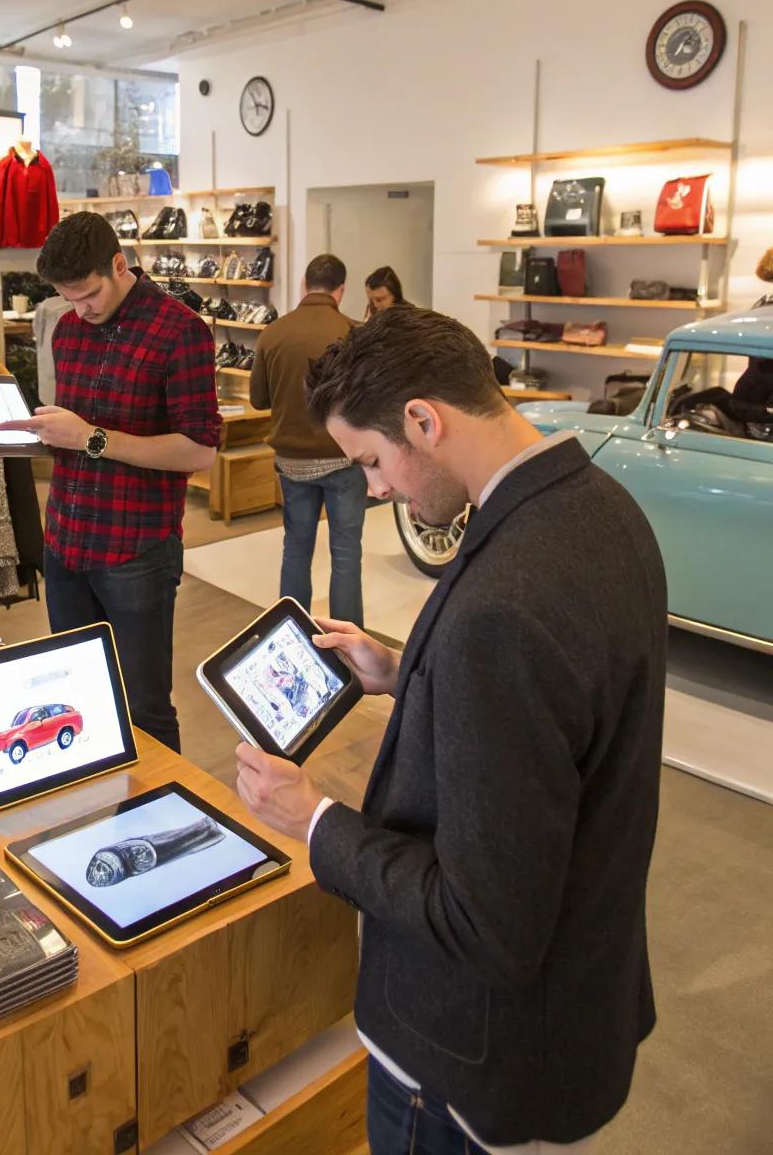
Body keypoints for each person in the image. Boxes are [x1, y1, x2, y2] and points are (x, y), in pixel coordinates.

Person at [235, 306, 667, 1155]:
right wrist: (408, 673)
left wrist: (313, 819)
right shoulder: (604, 508)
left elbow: (484, 924)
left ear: (425, 421)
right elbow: (560, 710)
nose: (376, 488)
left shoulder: (501, 608)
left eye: (371, 459)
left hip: (466, 1053)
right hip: (581, 992)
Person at [0, 212, 221, 752]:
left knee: (145, 705)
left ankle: (160, 817)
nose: (80, 308)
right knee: (75, 693)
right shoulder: (68, 330)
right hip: (66, 540)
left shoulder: (181, 331)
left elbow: (201, 450)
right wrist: (39, 433)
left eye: (89, 294)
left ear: (120, 266)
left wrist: (93, 438)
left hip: (136, 549)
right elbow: (73, 430)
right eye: (68, 297)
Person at [249, 253, 368, 626]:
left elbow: (258, 399)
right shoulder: (356, 334)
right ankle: (350, 647)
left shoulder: (274, 333)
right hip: (344, 460)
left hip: (292, 461)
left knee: (296, 549)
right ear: (341, 290)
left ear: (304, 284)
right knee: (346, 553)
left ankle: (292, 632)